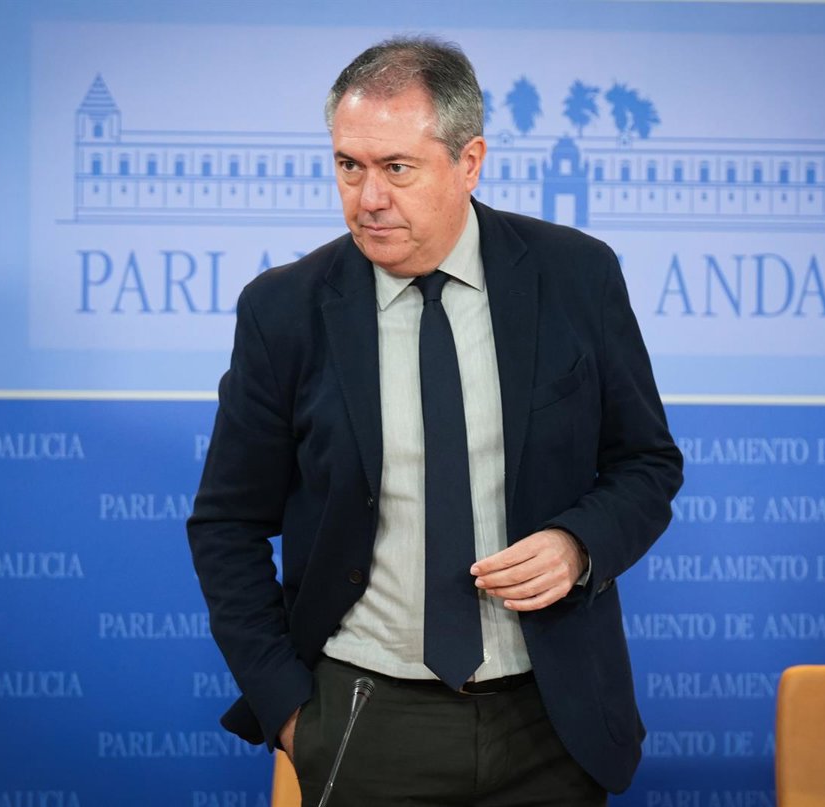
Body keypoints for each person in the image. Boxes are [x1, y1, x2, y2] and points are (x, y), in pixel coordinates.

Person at [188, 35, 683, 805]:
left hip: (551, 721)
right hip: (364, 717)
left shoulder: (577, 276)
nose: (368, 198)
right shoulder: (284, 310)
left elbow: (646, 464)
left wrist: (578, 544)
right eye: (349, 165)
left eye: (396, 168)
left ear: (469, 161)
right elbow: (227, 523)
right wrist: (290, 712)